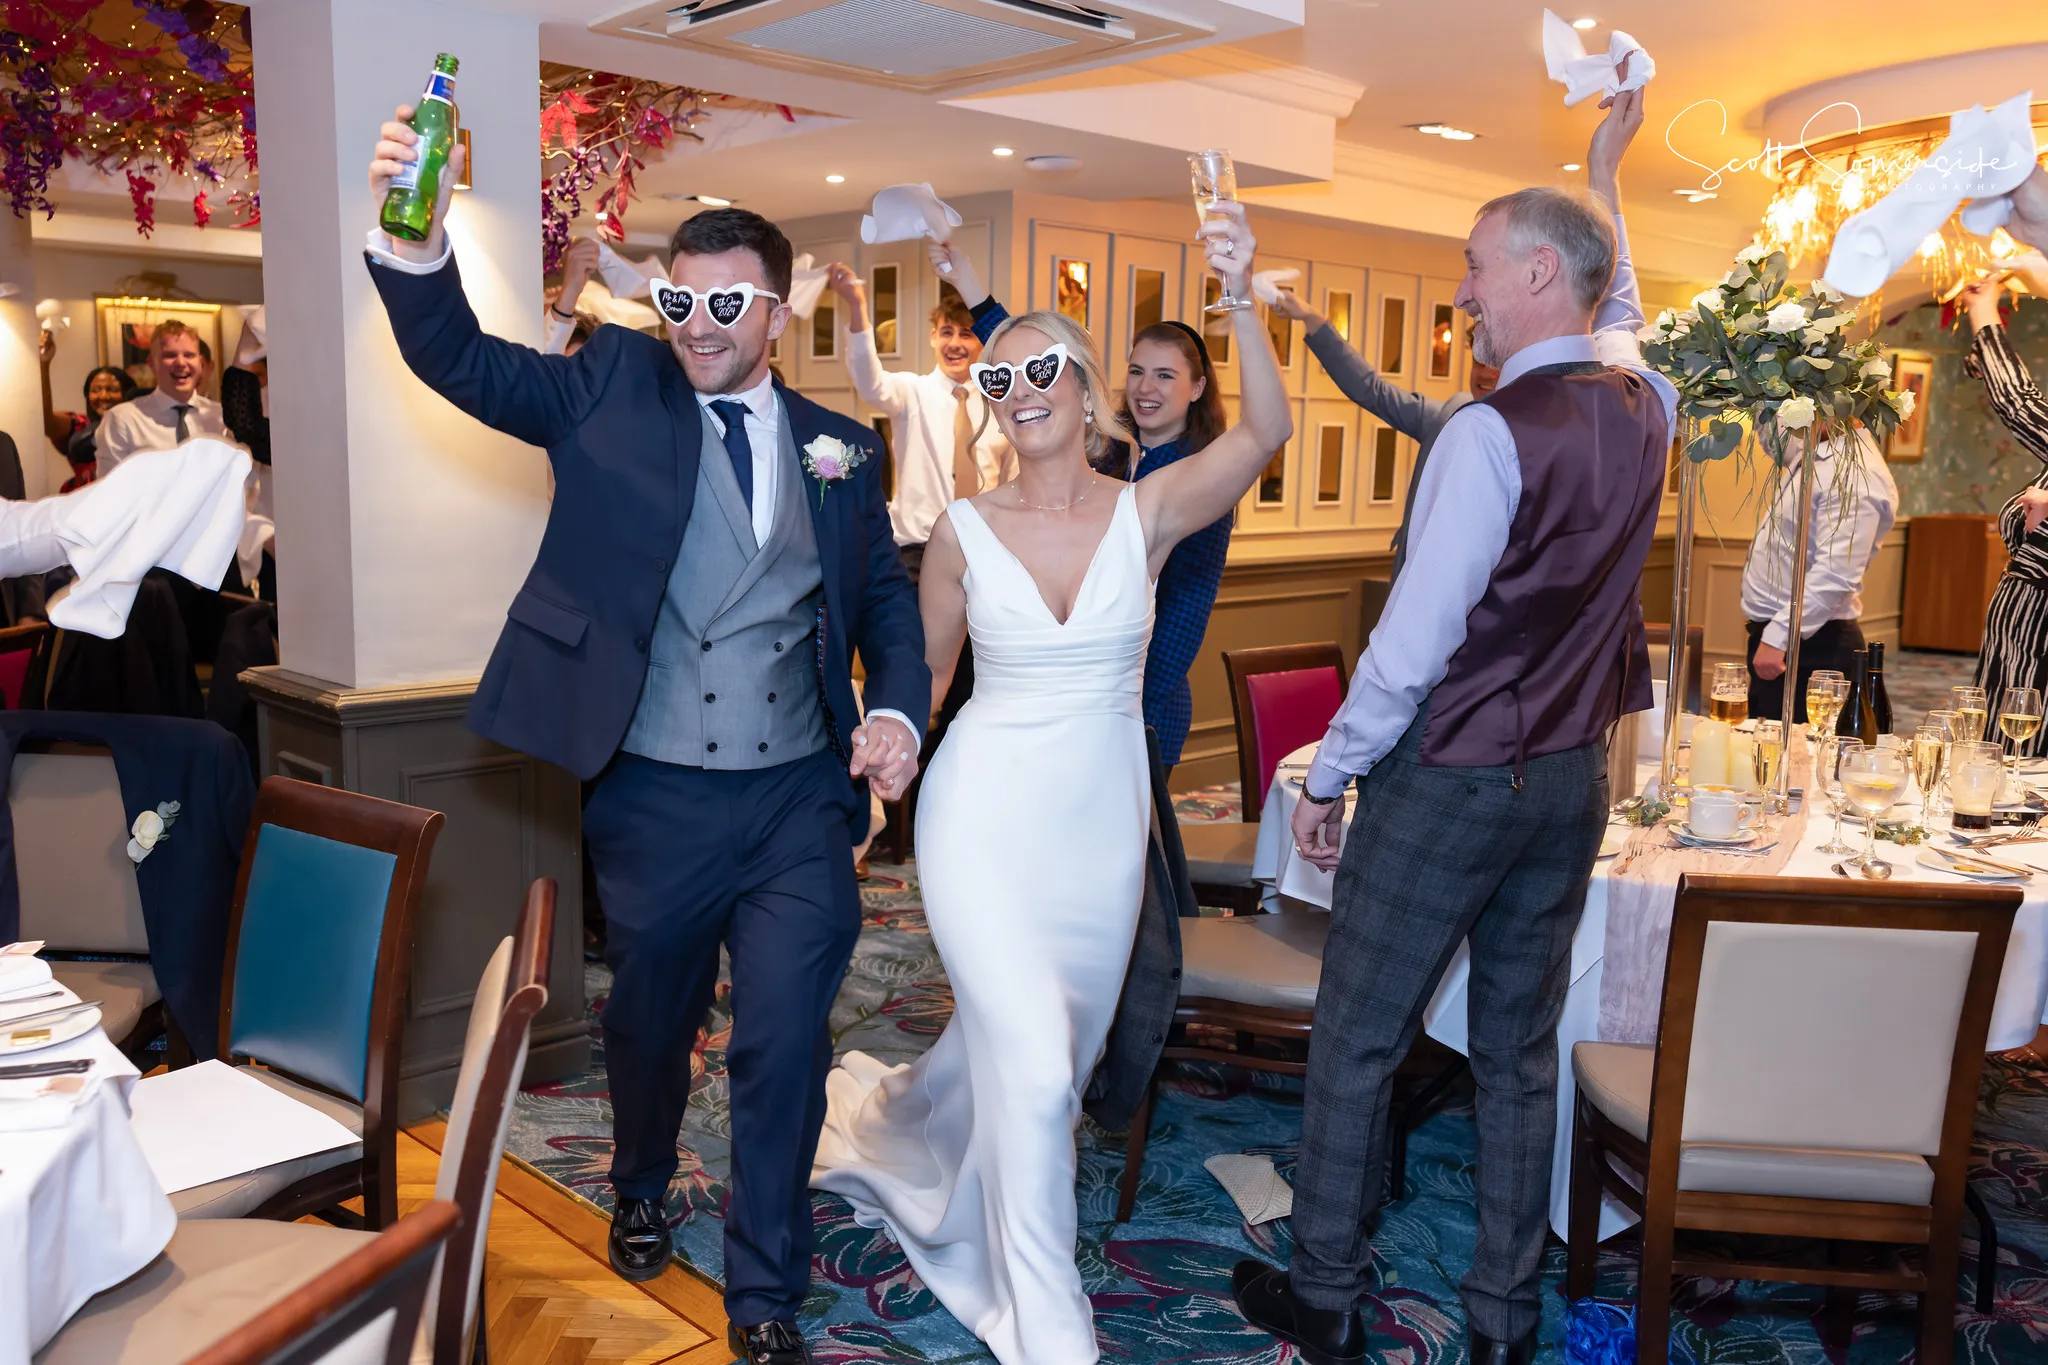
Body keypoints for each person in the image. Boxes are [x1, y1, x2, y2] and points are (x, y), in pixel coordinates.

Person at [365, 111, 927, 1365]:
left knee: (785, 1037)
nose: (702, 323)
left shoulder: (844, 447)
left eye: (732, 305)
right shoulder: (610, 386)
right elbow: (460, 359)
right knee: (649, 1024)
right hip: (656, 793)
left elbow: (884, 601)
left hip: (794, 802)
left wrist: (891, 710)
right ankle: (635, 1175)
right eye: (683, 297)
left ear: (776, 313)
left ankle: (765, 1293)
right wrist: (415, 236)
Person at [1233, 86, 1673, 1365]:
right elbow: (1624, 305)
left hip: (1452, 776)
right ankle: (1499, 1321)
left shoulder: (1488, 432)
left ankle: (1323, 1296)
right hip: (1570, 781)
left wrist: (1331, 772)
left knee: (1356, 1036)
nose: (1463, 294)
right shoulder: (1643, 401)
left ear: (1538, 273)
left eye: (1477, 269)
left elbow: (1415, 639)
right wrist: (1604, 166)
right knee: (1518, 1054)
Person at [811, 200, 1292, 1365]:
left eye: (1041, 368)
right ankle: (1047, 1330)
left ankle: (927, 1135)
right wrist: (888, 748)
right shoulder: (959, 536)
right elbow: (921, 680)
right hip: (980, 815)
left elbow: (1265, 431)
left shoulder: (1152, 509)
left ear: (1083, 390)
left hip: (1098, 824)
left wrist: (1238, 295)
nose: (1018, 388)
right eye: (999, 376)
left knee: (1046, 1063)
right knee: (1028, 1069)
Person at [928, 243, 1235, 771]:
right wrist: (971, 285)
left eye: (1165, 375)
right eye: (1137, 371)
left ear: (1197, 387)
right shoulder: (1110, 449)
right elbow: (1035, 369)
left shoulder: (1196, 478)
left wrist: (1131, 709)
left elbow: (1186, 612)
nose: (1145, 387)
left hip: (1140, 696)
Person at [828, 262, 1016, 728]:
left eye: (967, 334)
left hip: (984, 558)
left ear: (982, 343)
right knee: (910, 671)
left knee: (972, 684)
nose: (955, 343)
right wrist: (857, 306)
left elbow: (1012, 483)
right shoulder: (910, 393)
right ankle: (902, 761)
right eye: (946, 332)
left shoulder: (1003, 405)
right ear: (933, 336)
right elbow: (868, 379)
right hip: (914, 556)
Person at [1270, 291, 1498, 572]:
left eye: (1496, 366)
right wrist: (1312, 319)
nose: (1485, 374)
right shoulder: (1449, 416)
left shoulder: (1532, 438)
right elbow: (1374, 392)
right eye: (1479, 362)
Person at [1739, 424, 1897, 721]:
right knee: (1768, 755)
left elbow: (1835, 574)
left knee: (1801, 760)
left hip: (1811, 647)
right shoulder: (1816, 450)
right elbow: (1776, 441)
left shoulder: (1854, 473)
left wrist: (1777, 638)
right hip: (1789, 639)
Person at [1959, 269, 2048, 743]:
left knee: (2025, 762)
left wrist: (1983, 307)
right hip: (2017, 632)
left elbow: (2018, 403)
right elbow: (2020, 401)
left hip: (2040, 635)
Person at [93, 320, 233, 477]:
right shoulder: (123, 419)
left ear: (200, 363)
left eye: (189, 355)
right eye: (170, 355)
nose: (181, 363)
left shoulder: (221, 418)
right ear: (151, 363)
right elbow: (111, 490)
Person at [38, 329, 138, 491]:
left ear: (128, 393)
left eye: (112, 389)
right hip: (81, 504)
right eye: (96, 390)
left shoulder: (141, 427)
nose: (103, 396)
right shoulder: (81, 425)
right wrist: (44, 365)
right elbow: (46, 422)